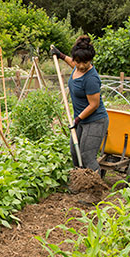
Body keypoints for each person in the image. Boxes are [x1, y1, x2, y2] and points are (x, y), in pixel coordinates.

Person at [50, 35, 109, 177]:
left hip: (94, 120)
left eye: (85, 62)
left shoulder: (91, 78)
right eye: (78, 62)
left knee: (87, 156)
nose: (81, 66)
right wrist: (60, 55)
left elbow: (94, 105)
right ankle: (81, 185)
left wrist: (77, 120)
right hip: (81, 119)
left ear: (90, 60)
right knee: (75, 154)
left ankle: (95, 189)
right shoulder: (77, 67)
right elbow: (73, 64)